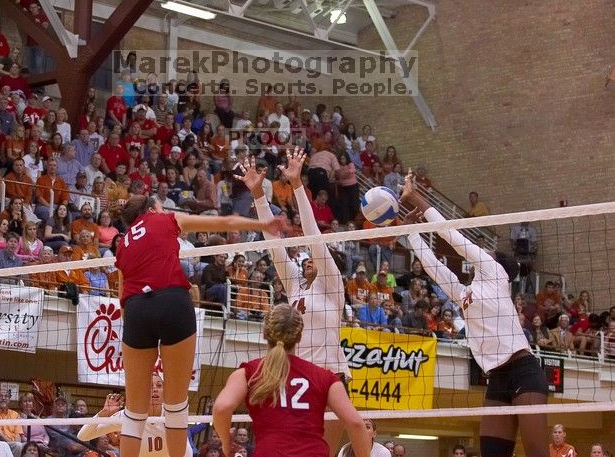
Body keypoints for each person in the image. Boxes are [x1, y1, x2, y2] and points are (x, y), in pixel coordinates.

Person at [114, 194, 289, 457]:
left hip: (137, 309)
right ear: (152, 209)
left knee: (134, 412)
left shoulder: (123, 243)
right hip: (172, 301)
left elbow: (122, 297)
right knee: (175, 405)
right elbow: (224, 221)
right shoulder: (165, 219)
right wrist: (263, 226)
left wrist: (136, 332)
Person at [400, 171, 548, 457]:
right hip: (496, 378)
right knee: (491, 452)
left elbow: (451, 235)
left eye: (489, 251)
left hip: (524, 371)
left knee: (538, 453)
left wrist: (414, 197)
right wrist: (411, 232)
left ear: (497, 264)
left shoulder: (495, 273)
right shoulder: (465, 293)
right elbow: (434, 268)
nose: (484, 251)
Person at [235, 147, 351, 455]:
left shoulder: (331, 285)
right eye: (309, 258)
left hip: (329, 380)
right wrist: (259, 194)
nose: (309, 259)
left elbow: (313, 236)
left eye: (316, 257)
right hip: (295, 380)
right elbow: (275, 246)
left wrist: (298, 185)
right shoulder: (297, 288)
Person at [212, 304, 369, 457]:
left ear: (265, 334)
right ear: (299, 337)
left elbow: (221, 407)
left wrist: (226, 442)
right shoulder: (326, 377)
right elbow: (356, 424)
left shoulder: (249, 373)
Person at [78, 377, 191, 457]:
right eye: (150, 386)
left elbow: (186, 451)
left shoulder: (173, 414)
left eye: (159, 385)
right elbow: (83, 436)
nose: (155, 389)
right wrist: (104, 413)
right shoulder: (128, 415)